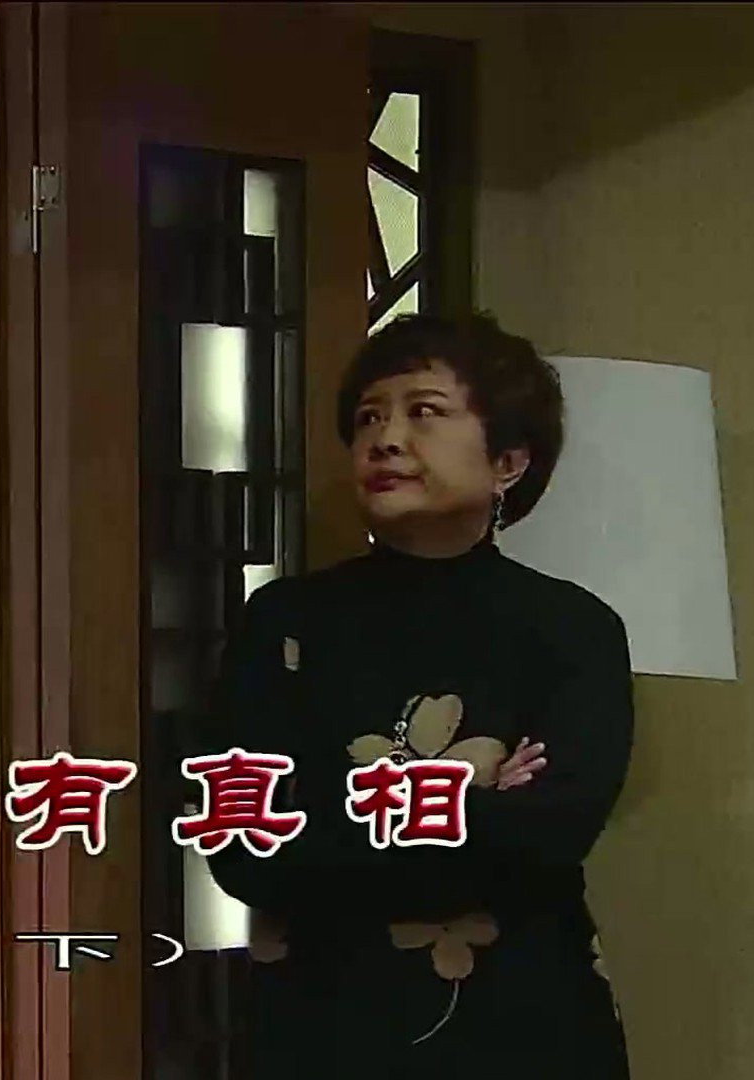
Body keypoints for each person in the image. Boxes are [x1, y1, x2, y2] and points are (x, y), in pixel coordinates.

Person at [197, 313, 632, 1078]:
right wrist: (475, 799)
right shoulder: (284, 621)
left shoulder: (573, 627)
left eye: (424, 412)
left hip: (527, 1027)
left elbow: (551, 835)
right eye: (369, 417)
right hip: (323, 1023)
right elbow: (244, 847)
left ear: (508, 462)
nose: (386, 438)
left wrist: (337, 807)